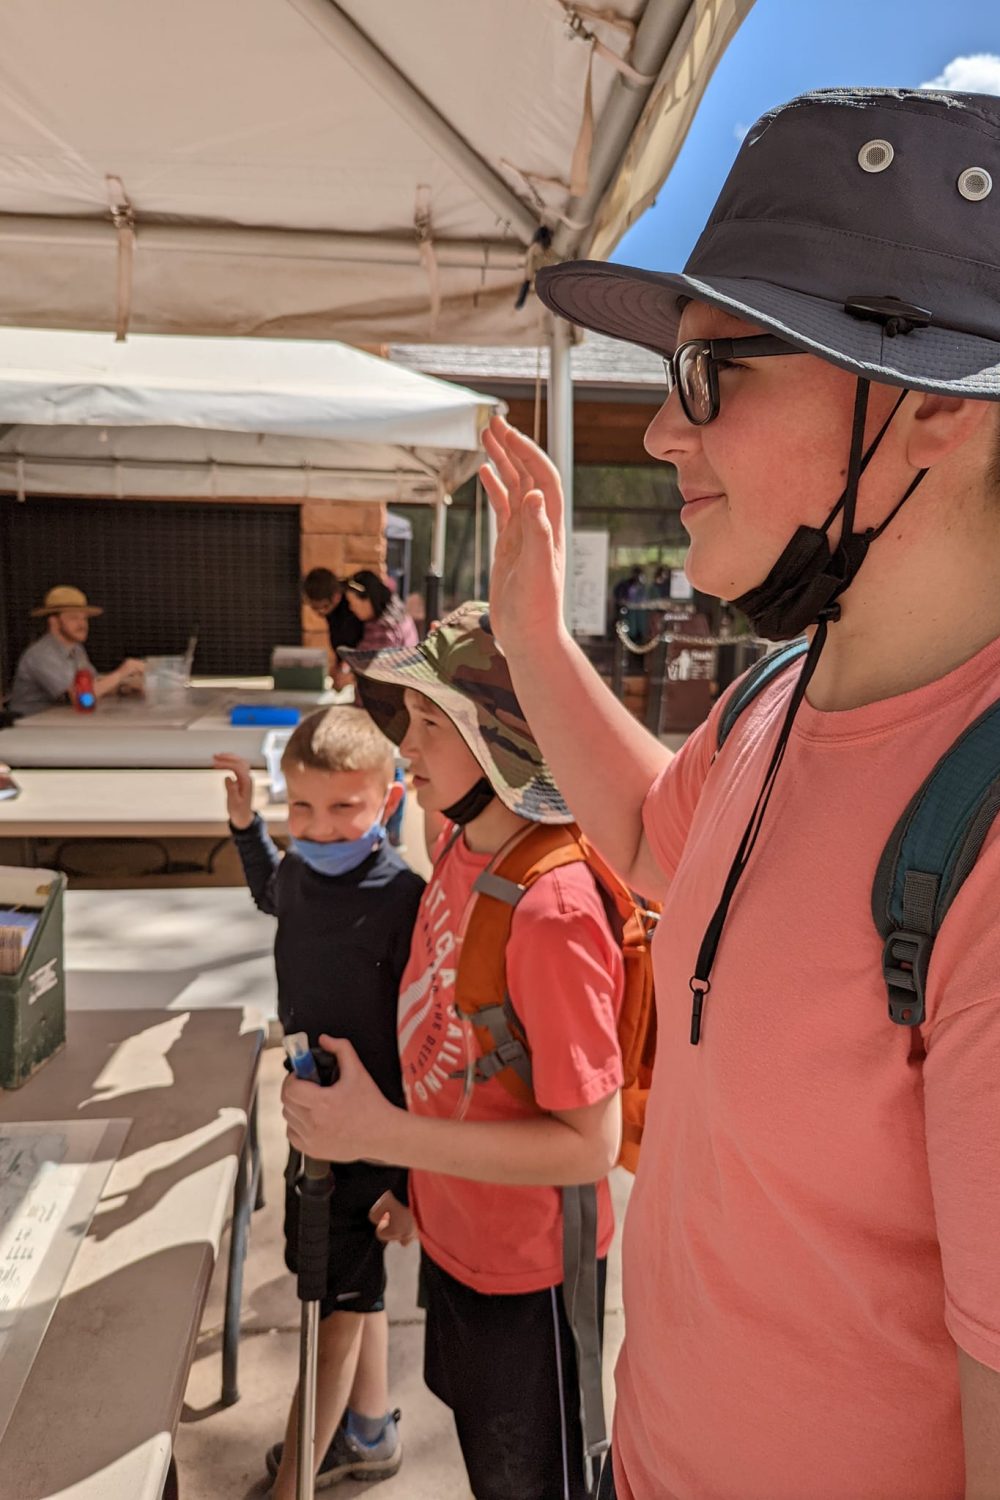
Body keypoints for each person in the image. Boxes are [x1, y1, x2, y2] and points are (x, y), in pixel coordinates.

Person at [476, 87, 1000, 1500]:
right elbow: (662, 845)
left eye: (716, 371)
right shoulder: (782, 692)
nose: (660, 435)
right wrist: (530, 631)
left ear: (935, 405)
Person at [281, 604, 625, 1500]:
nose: (407, 740)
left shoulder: (551, 912)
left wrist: (381, 1136)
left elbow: (588, 1144)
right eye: (413, 716)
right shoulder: (458, 847)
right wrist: (418, 1191)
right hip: (455, 1241)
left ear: (509, 740)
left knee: (535, 1478)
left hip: (534, 1279)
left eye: (436, 721)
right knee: (485, 1458)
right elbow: (462, 1055)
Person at [213, 707, 424, 1497]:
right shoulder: (297, 872)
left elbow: (425, 1044)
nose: (321, 827)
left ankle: (293, 1486)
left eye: (345, 807)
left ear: (389, 801)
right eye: (301, 807)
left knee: (331, 1314)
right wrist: (246, 828)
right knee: (354, 1288)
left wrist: (410, 1174)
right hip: (312, 1125)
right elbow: (273, 892)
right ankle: (365, 1432)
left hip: (370, 1145)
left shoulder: (407, 899)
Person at [7, 585, 146, 718]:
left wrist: (125, 687)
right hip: (29, 731)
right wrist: (122, 672)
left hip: (58, 723)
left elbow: (93, 684)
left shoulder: (77, 649)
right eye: (74, 618)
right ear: (54, 622)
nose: (82, 624)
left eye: (84, 618)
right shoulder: (41, 654)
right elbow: (81, 697)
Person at [302, 567, 363, 692]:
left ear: (336, 597)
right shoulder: (332, 608)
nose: (320, 613)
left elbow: (357, 641)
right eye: (314, 608)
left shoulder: (353, 606)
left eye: (324, 607)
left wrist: (347, 672)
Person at [344, 570, 418, 650]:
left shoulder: (385, 628)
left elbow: (366, 658)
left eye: (353, 603)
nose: (351, 608)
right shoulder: (397, 612)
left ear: (368, 600)